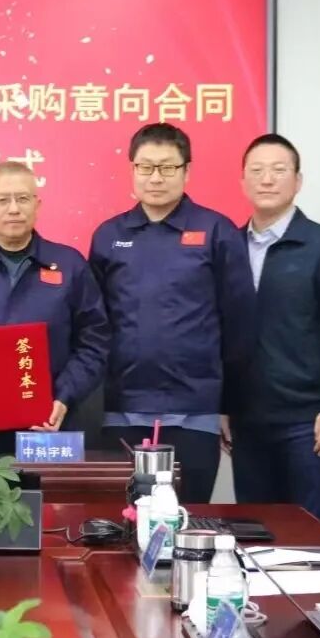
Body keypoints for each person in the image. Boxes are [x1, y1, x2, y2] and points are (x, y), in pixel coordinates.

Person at [89, 123, 256, 503]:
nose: (156, 178)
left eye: (167, 167)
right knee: (120, 522)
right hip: (121, 411)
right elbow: (94, 326)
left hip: (194, 410)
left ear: (187, 171)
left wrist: (228, 404)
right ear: (132, 169)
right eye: (146, 167)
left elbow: (240, 324)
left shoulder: (217, 231)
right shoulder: (109, 235)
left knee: (187, 517)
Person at [0, 161, 109, 455]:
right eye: (3, 200)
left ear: (37, 205)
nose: (14, 209)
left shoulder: (70, 265)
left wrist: (64, 396)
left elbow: (94, 341)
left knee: (51, 489)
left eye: (23, 198)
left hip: (53, 425)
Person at [231, 133, 320, 528]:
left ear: (298, 181)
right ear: (243, 181)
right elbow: (221, 330)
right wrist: (223, 404)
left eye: (279, 170)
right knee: (254, 530)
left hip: (309, 421)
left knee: (311, 533)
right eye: (257, 170)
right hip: (246, 418)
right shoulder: (229, 247)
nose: (267, 179)